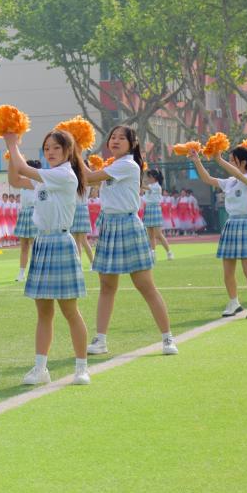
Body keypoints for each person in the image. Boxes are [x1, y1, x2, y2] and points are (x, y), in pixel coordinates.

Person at [4, 129, 90, 386]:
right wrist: (11, 150)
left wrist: (11, 142)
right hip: (42, 243)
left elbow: (22, 168)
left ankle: (81, 368)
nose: (50, 152)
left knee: (70, 311)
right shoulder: (46, 176)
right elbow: (15, 179)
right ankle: (40, 368)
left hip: (61, 242)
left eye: (56, 148)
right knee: (43, 312)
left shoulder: (64, 174)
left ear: (68, 151)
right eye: (47, 148)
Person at [84, 126, 178, 356]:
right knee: (107, 286)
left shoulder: (127, 164)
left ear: (132, 144)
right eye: (112, 137)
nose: (115, 141)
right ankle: (100, 340)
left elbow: (88, 178)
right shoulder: (115, 165)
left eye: (121, 138)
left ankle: (167, 338)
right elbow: (89, 181)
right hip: (109, 226)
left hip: (127, 225)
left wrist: (76, 149)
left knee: (145, 285)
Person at [191, 145, 247, 317]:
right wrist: (197, 161)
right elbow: (207, 179)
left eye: (232, 160)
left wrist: (219, 159)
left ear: (243, 162)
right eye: (229, 160)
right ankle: (233, 302)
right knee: (228, 271)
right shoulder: (230, 181)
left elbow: (239, 175)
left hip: (246, 224)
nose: (230, 163)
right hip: (231, 224)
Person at [10, 159, 41, 282]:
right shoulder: (23, 183)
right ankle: (22, 273)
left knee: (35, 245)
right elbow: (14, 178)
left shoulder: (38, 182)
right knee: (24, 246)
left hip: (34, 212)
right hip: (24, 213)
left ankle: (36, 271)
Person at [141, 169, 174, 260]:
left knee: (158, 234)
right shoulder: (150, 185)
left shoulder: (157, 187)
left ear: (154, 177)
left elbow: (143, 186)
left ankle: (169, 252)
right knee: (150, 235)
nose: (148, 178)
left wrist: (139, 179)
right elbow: (143, 190)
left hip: (155, 209)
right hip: (148, 209)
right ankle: (152, 254)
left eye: (149, 177)